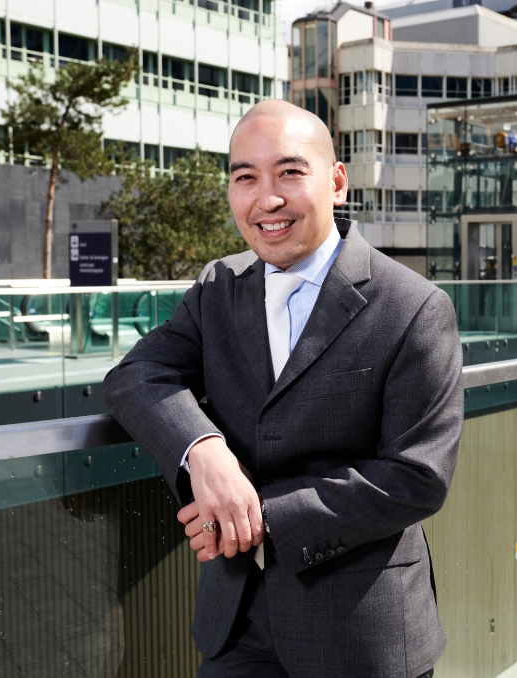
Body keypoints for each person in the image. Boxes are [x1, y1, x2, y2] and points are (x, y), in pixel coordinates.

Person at [104, 100, 463, 677]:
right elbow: (136, 374)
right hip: (235, 625)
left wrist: (258, 516)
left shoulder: (413, 306)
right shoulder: (219, 287)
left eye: (289, 172)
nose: (266, 199)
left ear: (337, 182)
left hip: (360, 634)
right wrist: (205, 452)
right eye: (245, 177)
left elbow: (416, 478)